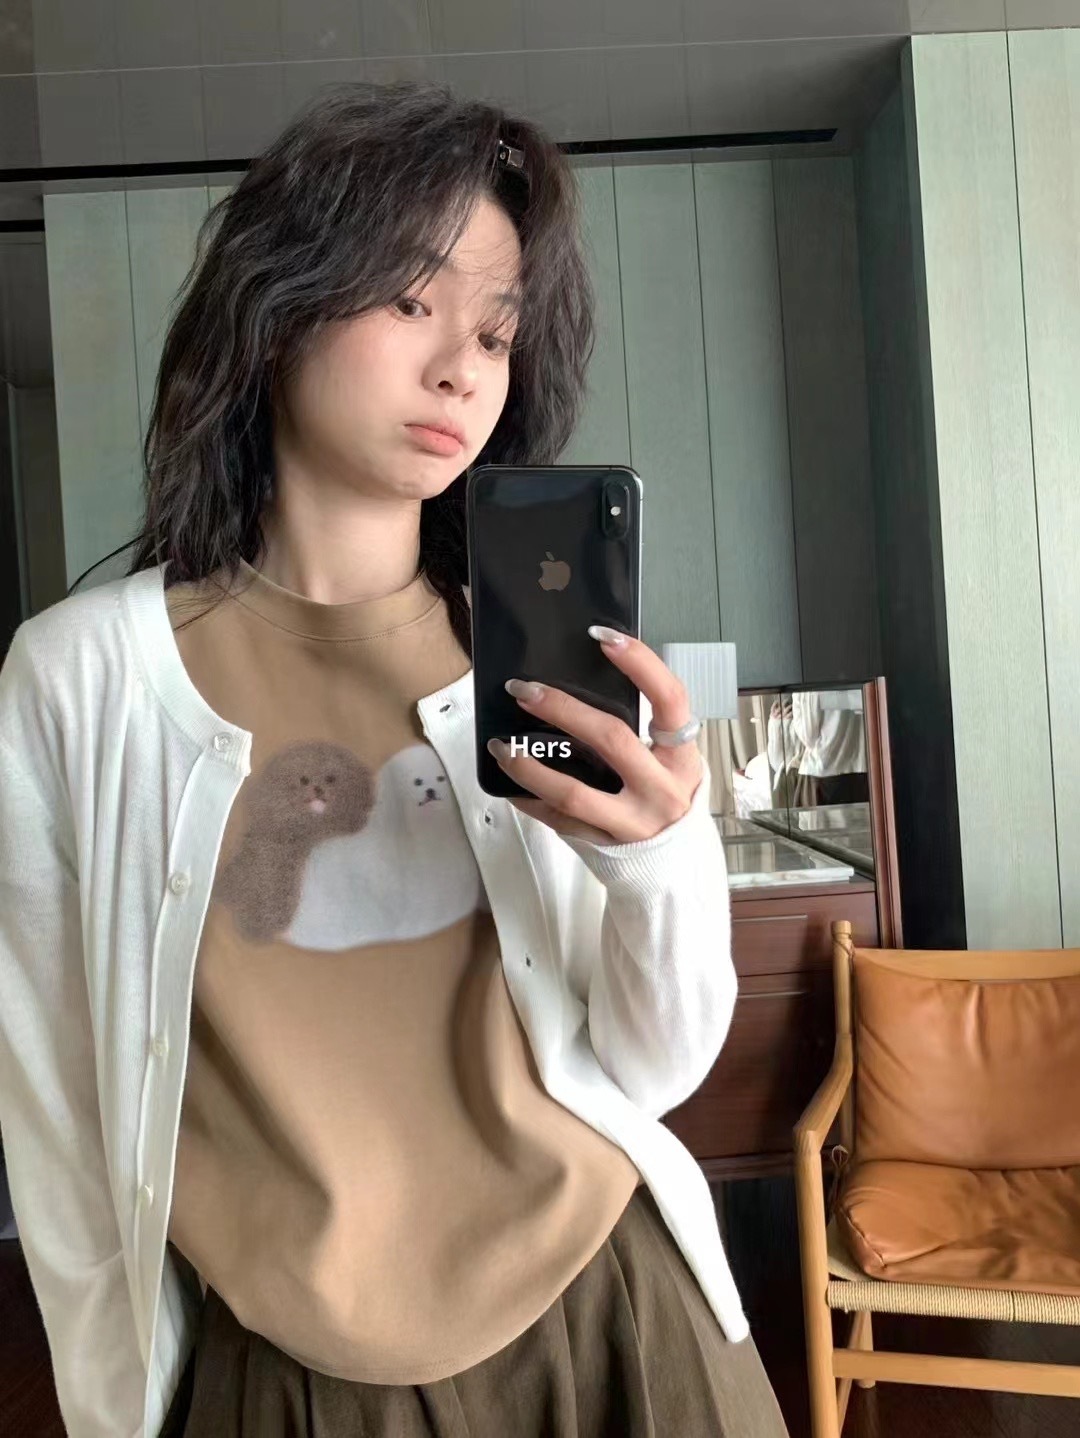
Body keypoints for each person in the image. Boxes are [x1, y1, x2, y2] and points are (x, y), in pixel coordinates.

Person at [0, 81, 789, 1438]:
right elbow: (57, 1103)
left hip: (610, 1310)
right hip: (290, 1369)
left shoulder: (530, 660)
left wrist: (663, 863)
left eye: (496, 331)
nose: (463, 369)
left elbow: (652, 1070)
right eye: (412, 301)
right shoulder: (79, 679)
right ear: (277, 307)